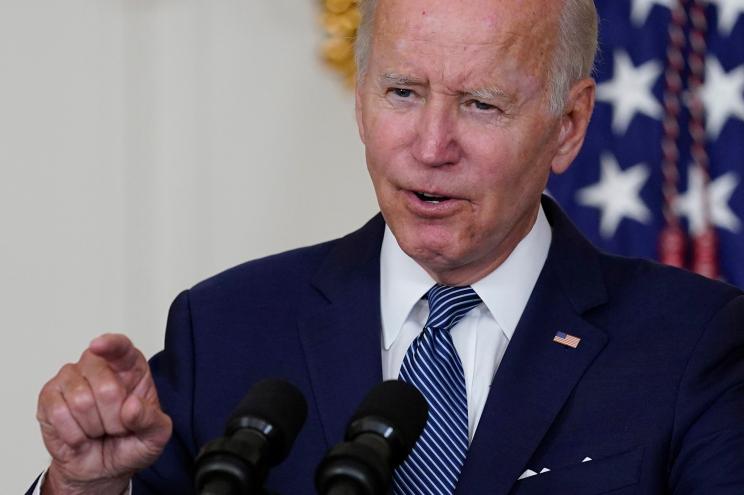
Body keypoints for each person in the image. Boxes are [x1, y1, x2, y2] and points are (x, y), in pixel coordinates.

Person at [30, 0, 744, 493]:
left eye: (481, 104)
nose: (432, 147)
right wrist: (85, 484)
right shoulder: (225, 326)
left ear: (569, 125)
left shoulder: (693, 343)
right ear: (361, 100)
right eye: (402, 92)